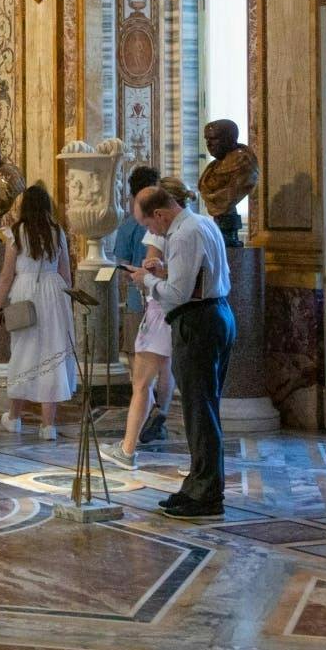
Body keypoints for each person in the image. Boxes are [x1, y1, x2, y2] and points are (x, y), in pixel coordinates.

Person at [129, 182, 233, 519]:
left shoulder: (185, 234)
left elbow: (177, 294)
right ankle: (197, 486)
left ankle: (207, 495)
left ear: (159, 214)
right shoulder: (202, 223)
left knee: (200, 411)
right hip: (215, 313)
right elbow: (205, 275)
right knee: (202, 409)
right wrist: (165, 272)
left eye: (148, 224)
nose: (152, 232)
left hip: (198, 322)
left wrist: (146, 280)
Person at [0, 183, 78, 439]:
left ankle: (14, 418)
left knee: (24, 353)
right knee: (53, 352)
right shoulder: (57, 231)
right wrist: (68, 304)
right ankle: (48, 426)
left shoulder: (16, 233)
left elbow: (6, 275)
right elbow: (65, 272)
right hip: (54, 292)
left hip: (25, 293)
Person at [103, 166, 168, 453]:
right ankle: (160, 414)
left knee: (138, 368)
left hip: (139, 300)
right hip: (165, 304)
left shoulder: (130, 225)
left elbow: (122, 264)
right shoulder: (169, 225)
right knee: (165, 365)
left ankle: (143, 419)